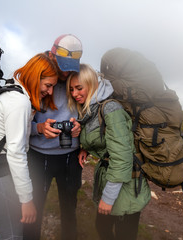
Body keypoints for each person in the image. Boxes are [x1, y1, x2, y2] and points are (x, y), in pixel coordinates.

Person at [0, 53, 58, 240]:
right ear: (35, 77)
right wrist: (27, 200)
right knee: (13, 236)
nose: (50, 92)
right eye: (48, 85)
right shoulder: (19, 102)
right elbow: (16, 153)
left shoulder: (11, 92)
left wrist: (38, 127)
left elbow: (7, 132)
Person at [66, 64, 151, 240]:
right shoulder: (93, 108)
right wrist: (85, 149)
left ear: (92, 84)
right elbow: (102, 138)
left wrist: (108, 198)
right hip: (111, 178)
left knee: (124, 234)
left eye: (79, 88)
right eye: (71, 89)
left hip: (126, 186)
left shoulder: (111, 109)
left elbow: (122, 158)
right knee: (103, 228)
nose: (74, 94)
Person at [23, 34, 83, 240]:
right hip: (39, 157)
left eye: (72, 66)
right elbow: (17, 124)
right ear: (51, 55)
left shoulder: (78, 78)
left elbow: (91, 112)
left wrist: (81, 128)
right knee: (34, 209)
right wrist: (38, 128)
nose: (66, 72)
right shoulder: (36, 79)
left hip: (70, 157)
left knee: (69, 209)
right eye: (63, 65)